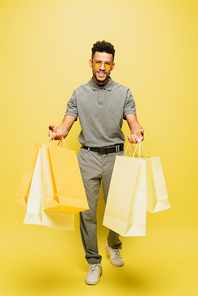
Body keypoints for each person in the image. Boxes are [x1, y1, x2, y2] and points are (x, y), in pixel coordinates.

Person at [49, 40, 144, 285]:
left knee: (119, 208)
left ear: (113, 65)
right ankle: (94, 262)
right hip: (88, 157)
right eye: (98, 62)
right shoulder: (79, 93)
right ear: (91, 63)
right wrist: (58, 132)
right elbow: (66, 124)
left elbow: (133, 121)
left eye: (107, 63)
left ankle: (113, 245)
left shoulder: (124, 92)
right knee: (87, 213)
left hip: (116, 156)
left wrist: (137, 131)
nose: (102, 67)